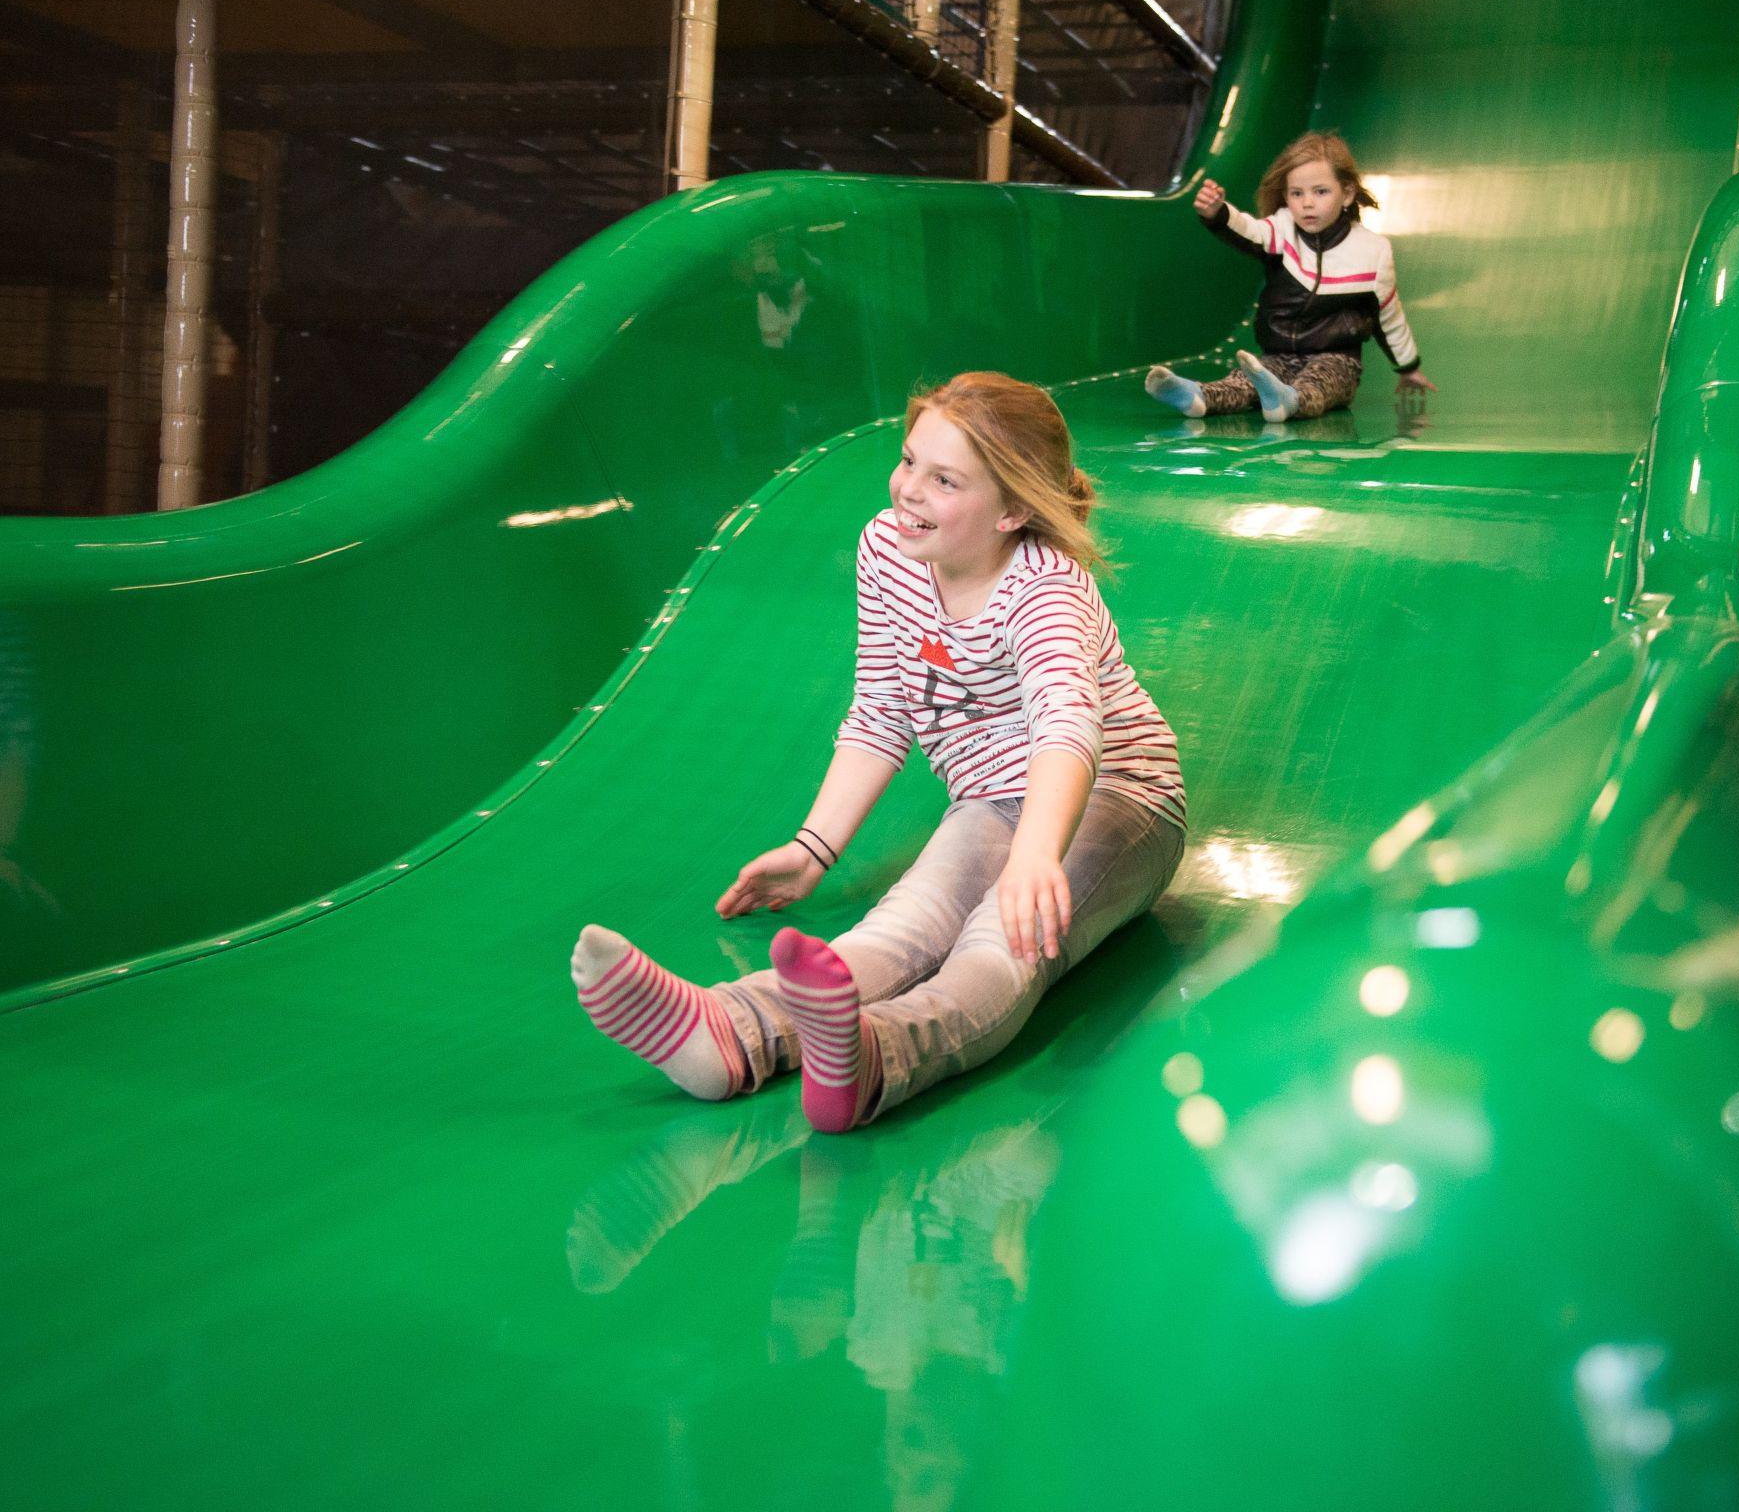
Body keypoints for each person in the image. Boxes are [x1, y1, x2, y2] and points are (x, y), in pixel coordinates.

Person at [572, 372, 1186, 1133]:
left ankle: (876, 1060)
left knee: (1001, 942)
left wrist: (1035, 856)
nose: (909, 491)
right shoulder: (889, 552)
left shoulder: (1044, 591)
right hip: (994, 800)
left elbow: (1068, 724)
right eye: (908, 461)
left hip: (1117, 797)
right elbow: (882, 706)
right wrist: (812, 849)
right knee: (901, 927)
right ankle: (727, 1034)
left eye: (945, 479)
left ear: (1014, 510)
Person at [1147, 130, 1436, 422]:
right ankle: (1198, 396)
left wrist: (1408, 367)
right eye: (1297, 193)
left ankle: (1289, 400)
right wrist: (1218, 212)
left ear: (1346, 194)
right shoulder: (1282, 230)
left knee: (1320, 383)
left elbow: (1388, 317)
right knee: (1247, 379)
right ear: (1286, 197)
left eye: (1320, 192)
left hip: (1337, 358)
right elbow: (1249, 230)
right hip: (1279, 353)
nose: (1307, 203)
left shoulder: (1372, 251)